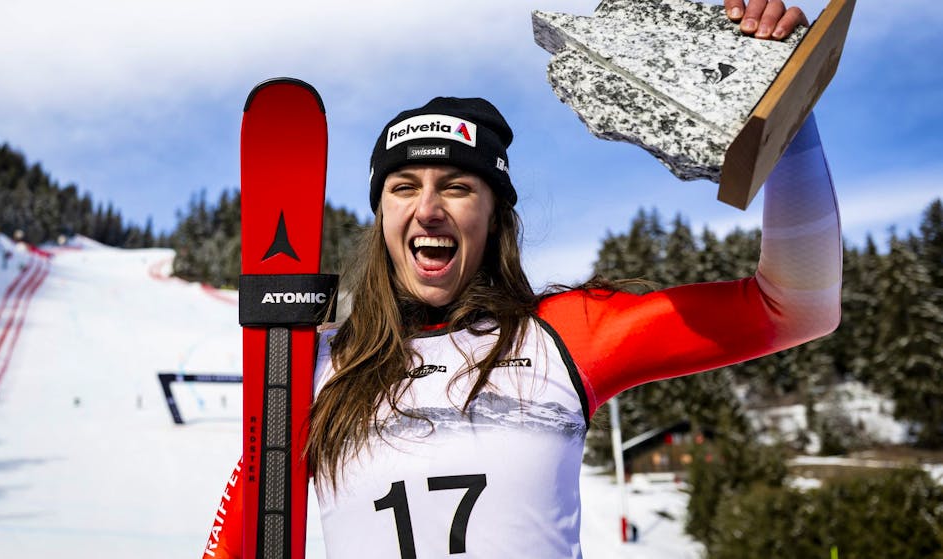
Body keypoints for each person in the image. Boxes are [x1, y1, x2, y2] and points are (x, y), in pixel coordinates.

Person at [205, 2, 835, 557]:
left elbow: (796, 307)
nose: (428, 209)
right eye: (404, 188)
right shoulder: (312, 370)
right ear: (382, 218)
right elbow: (238, 541)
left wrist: (790, 107)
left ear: (494, 216)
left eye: (456, 187)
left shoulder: (563, 338)